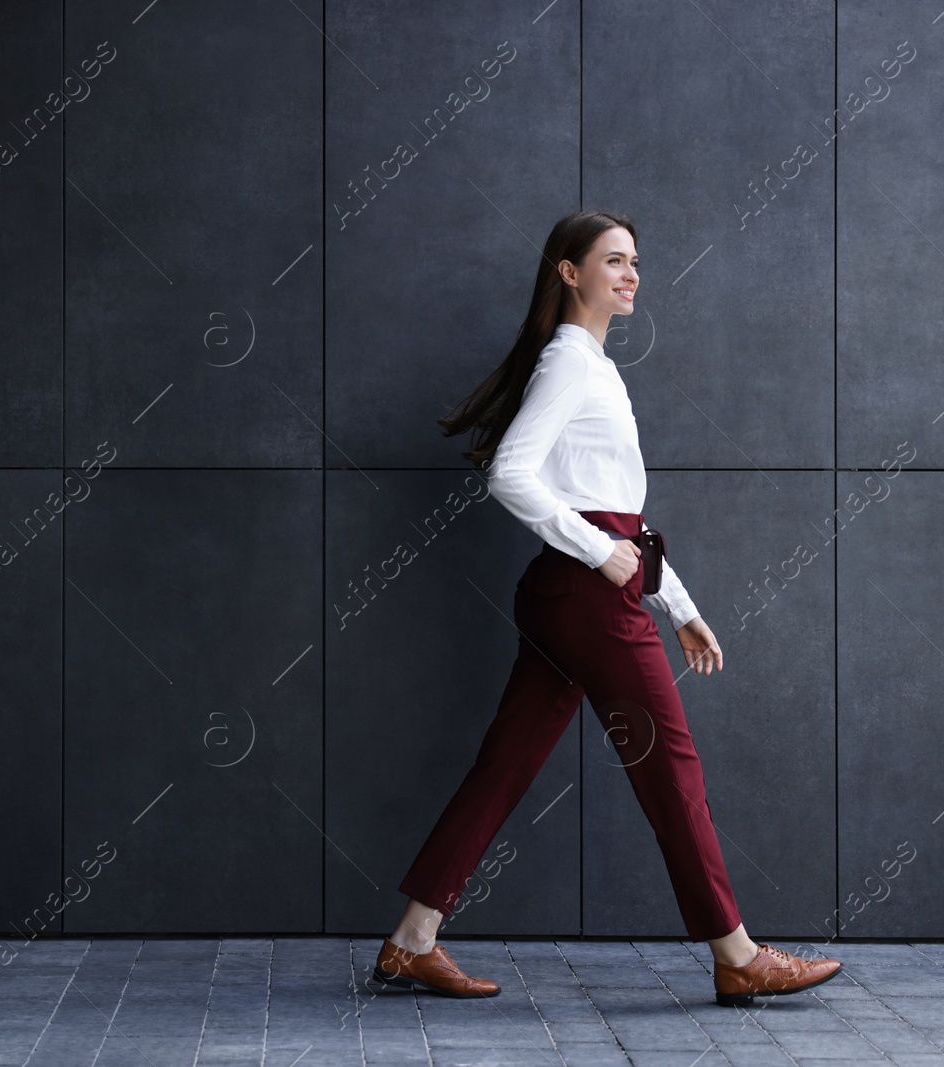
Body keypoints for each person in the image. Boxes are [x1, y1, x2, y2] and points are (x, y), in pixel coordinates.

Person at [366, 210, 841, 1008]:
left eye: (635, 262)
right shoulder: (571, 365)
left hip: (579, 594)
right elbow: (513, 476)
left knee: (506, 764)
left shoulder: (590, 366)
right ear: (568, 272)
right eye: (613, 260)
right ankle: (737, 954)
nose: (631, 274)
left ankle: (412, 941)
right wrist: (598, 551)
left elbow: (623, 513)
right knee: (671, 769)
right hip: (587, 594)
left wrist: (677, 603)